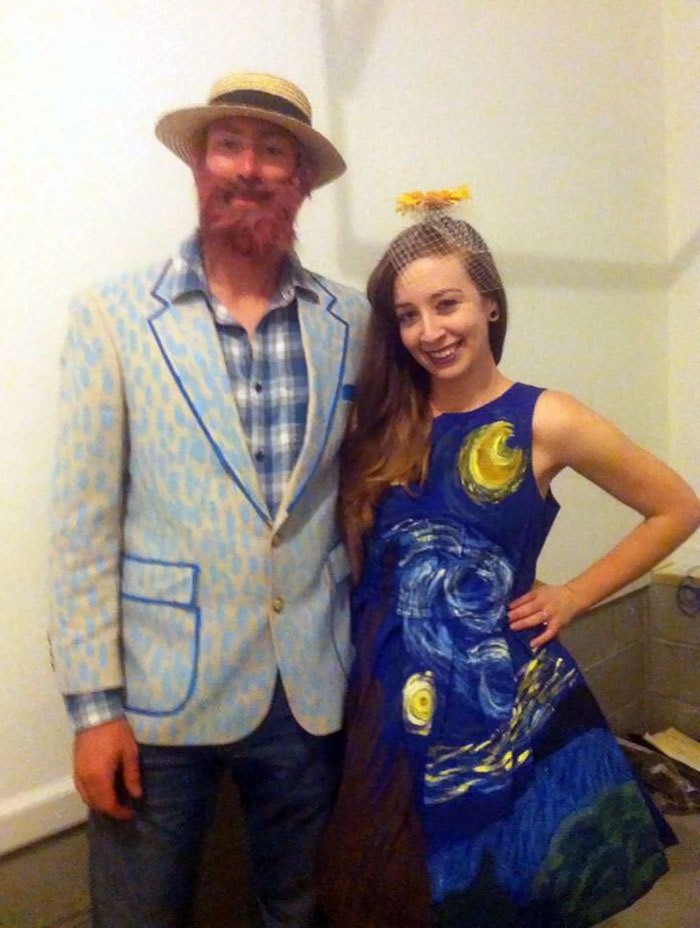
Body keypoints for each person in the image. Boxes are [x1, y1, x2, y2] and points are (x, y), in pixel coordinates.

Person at [319, 207, 700, 927]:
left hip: (496, 706)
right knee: (389, 893)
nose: (430, 331)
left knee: (497, 891)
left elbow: (677, 507)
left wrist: (576, 594)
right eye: (408, 315)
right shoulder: (383, 421)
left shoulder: (546, 419)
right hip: (384, 699)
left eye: (447, 304)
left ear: (489, 304)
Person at [48, 70, 368, 927]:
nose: (249, 168)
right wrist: (93, 711)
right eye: (229, 145)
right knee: (139, 914)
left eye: (274, 151)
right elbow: (81, 529)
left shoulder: (353, 321)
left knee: (300, 909)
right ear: (198, 164)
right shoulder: (113, 317)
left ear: (302, 179)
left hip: (310, 686)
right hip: (156, 695)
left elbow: (375, 482)